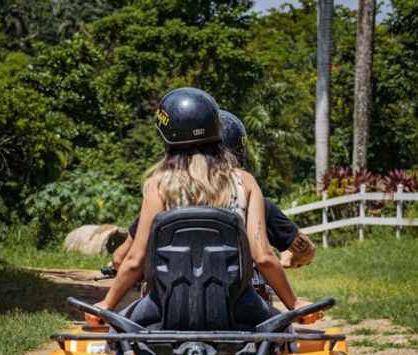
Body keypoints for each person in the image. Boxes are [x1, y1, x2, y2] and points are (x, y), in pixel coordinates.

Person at [95, 87, 306, 323]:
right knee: (282, 339)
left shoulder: (158, 185)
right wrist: (294, 304)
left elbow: (135, 260)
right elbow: (264, 256)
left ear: (166, 134)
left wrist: (107, 304)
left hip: (164, 306)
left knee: (117, 338)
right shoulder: (243, 182)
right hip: (238, 306)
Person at [111, 110, 315, 270]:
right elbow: (303, 250)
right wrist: (290, 258)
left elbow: (122, 258)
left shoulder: (169, 197)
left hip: (173, 298)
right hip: (241, 302)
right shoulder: (248, 198)